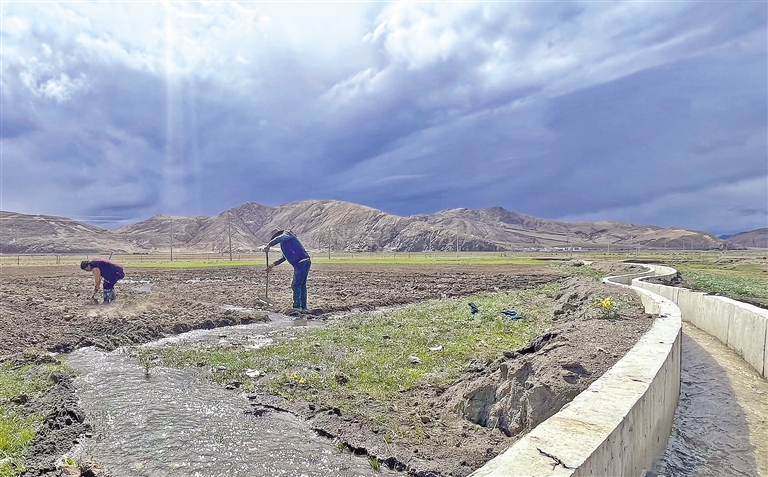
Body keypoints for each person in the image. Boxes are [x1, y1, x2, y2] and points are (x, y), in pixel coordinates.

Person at [263, 229, 311, 315]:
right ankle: (303, 308)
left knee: (296, 285)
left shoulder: (287, 234)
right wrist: (273, 265)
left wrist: (270, 244)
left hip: (301, 263)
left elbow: (282, 237)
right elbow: (284, 257)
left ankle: (297, 307)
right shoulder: (285, 243)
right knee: (301, 285)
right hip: (303, 262)